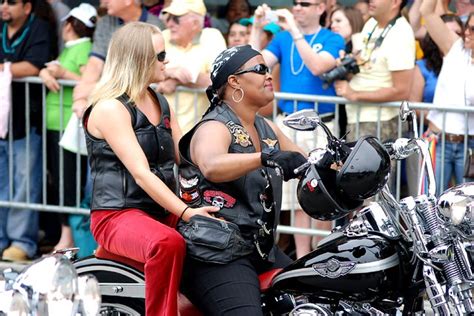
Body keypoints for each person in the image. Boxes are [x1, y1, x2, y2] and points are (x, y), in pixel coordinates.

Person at [83, 22, 218, 316]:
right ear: (139, 59)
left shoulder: (160, 100)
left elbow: (186, 155)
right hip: (117, 214)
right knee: (166, 243)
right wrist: (185, 211)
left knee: (216, 230)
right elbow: (141, 173)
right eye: (160, 55)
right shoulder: (110, 108)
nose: (166, 60)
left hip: (159, 209)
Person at [179, 45, 307, 315]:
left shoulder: (266, 127)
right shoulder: (214, 126)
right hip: (217, 253)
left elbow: (306, 160)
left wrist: (346, 157)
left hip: (260, 249)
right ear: (234, 81)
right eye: (260, 70)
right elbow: (211, 165)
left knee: (315, 295)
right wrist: (265, 158)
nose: (269, 75)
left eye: (269, 69)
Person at [249, 1, 345, 258]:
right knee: (295, 197)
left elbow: (317, 66)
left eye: (305, 3)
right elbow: (251, 66)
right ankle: (302, 257)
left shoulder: (332, 38)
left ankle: (321, 255)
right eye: (296, 4)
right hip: (288, 122)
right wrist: (257, 29)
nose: (298, 8)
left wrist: (294, 30)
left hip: (319, 124)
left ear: (321, 8)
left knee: (318, 191)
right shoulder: (282, 38)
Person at [39, 3, 97, 251]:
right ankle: (68, 237)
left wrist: (62, 72)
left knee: (68, 182)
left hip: (68, 125)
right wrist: (46, 73)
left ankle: (69, 239)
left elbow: (89, 81)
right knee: (62, 181)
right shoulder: (74, 47)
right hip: (57, 124)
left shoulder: (84, 48)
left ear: (72, 25)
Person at [0, 0, 53, 261]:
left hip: (25, 118)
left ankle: (21, 242)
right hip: (2, 121)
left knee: (23, 183)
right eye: (2, 1)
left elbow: (33, 66)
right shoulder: (1, 27)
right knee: (2, 182)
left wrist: (3, 69)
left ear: (27, 7)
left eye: (11, 2)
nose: (4, 6)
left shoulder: (39, 28)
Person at [334, 0, 415, 144]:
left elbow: (402, 91)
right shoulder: (371, 23)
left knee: (368, 167)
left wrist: (355, 94)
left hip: (380, 121)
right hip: (358, 117)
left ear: (396, 2)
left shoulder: (401, 32)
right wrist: (347, 63)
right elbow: (364, 64)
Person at [72, 0, 163, 120]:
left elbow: (150, 68)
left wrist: (96, 87)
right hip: (112, 99)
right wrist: (81, 96)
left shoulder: (156, 25)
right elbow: (95, 62)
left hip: (144, 101)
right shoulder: (105, 22)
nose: (103, 1)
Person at [420, 0, 474, 193]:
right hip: (440, 139)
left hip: (470, 145)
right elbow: (426, 11)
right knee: (431, 202)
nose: (467, 32)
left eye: (473, 29)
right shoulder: (454, 46)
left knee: (468, 208)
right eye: (467, 27)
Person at [158, 0, 226, 133]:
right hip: (161, 129)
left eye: (176, 19)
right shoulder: (163, 36)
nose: (170, 23)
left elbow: (219, 81)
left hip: (196, 132)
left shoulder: (211, 37)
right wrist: (170, 72)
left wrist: (177, 81)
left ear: (195, 23)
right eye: (168, 18)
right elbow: (143, 71)